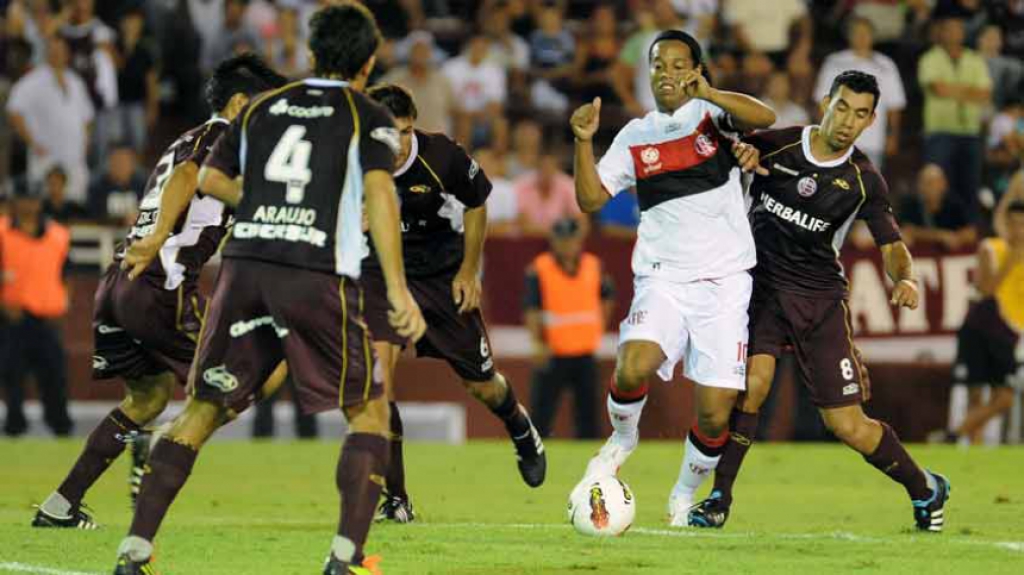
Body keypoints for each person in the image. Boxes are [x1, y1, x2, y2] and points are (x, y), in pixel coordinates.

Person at [112, 5, 426, 574]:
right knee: (369, 412)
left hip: (244, 268)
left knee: (200, 411)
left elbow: (207, 178)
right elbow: (380, 196)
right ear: (370, 60)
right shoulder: (367, 114)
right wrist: (399, 291)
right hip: (314, 272)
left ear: (309, 54)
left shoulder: (261, 107)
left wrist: (261, 206)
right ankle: (345, 559)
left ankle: (134, 552)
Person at [30, 54, 287, 532]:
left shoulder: (185, 139)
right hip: (158, 282)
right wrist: (158, 237)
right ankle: (161, 444)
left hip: (119, 282)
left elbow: (204, 205)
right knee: (258, 373)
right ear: (238, 103)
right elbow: (190, 179)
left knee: (147, 398)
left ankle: (60, 505)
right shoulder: (220, 139)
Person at [692, 71, 950, 533]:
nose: (848, 121)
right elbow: (720, 143)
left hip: (819, 301)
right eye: (842, 107)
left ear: (872, 121)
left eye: (861, 114)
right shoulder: (779, 144)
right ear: (825, 102)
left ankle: (926, 488)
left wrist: (906, 278)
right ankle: (718, 498)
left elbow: (891, 245)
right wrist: (740, 153)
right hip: (764, 289)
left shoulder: (865, 180)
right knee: (753, 385)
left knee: (847, 425)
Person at [569, 29, 775, 526]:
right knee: (632, 365)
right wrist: (582, 142)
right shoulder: (635, 136)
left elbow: (765, 118)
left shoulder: (714, 115)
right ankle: (622, 439)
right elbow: (592, 199)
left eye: (679, 65)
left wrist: (709, 92)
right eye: (658, 65)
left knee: (715, 412)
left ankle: (683, 496)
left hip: (725, 282)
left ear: (697, 70)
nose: (667, 74)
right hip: (662, 276)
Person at [363, 83, 546, 524]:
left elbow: (477, 203)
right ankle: (398, 499)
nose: (398, 143)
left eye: (405, 132)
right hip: (381, 274)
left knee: (481, 385)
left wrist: (468, 270)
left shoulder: (441, 155)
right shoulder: (354, 160)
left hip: (441, 275)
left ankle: (519, 426)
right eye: (389, 134)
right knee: (378, 384)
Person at [931, 201, 1024, 444]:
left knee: (1004, 398)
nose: (1018, 231)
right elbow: (985, 288)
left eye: (1023, 225)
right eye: (1013, 224)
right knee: (975, 396)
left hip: (1007, 335)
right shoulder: (991, 248)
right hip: (979, 328)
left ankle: (952, 436)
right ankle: (974, 453)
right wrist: (1011, 260)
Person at [524, 217, 616, 439]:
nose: (566, 245)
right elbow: (532, 309)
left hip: (585, 351)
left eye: (570, 240)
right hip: (552, 351)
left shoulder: (594, 266)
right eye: (562, 240)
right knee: (541, 414)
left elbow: (607, 298)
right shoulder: (540, 268)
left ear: (579, 241)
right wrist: (537, 343)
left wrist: (598, 328)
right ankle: (536, 453)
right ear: (553, 241)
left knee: (589, 417)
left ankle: (588, 460)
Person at [0, 184, 72, 437]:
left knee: (55, 377)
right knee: (12, 377)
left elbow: (66, 274)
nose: (28, 205)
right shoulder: (2, 233)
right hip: (13, 319)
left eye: (31, 199)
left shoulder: (58, 235)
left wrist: (63, 304)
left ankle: (61, 427)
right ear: (14, 203)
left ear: (39, 202)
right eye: (23, 199)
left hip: (48, 318)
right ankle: (14, 427)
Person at [813, 16, 906, 169]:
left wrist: (892, 136)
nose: (862, 37)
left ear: (873, 36)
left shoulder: (886, 65)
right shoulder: (833, 62)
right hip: (837, 140)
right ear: (849, 36)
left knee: (867, 189)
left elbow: (894, 105)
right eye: (857, 33)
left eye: (866, 33)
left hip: (873, 142)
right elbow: (821, 102)